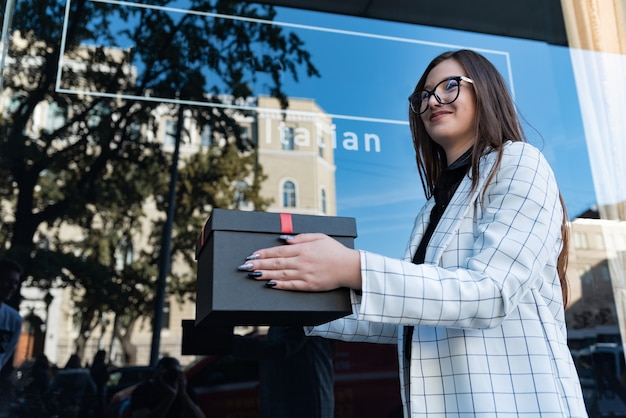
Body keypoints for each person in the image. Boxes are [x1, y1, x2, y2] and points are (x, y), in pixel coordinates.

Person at [236, 49, 588, 416]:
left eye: (449, 86)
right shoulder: (433, 208)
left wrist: (350, 267)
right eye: (423, 95)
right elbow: (413, 316)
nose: (433, 100)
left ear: (486, 91)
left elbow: (489, 293)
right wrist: (295, 297)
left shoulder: (519, 161)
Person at [232, 326, 335, 418]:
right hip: (293, 402)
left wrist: (231, 344)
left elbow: (281, 348)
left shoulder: (302, 313)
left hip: (302, 404)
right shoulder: (282, 321)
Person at [129, 356, 205, 418]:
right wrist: (169, 398)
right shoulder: (143, 391)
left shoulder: (184, 389)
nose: (170, 377)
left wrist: (183, 394)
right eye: (166, 373)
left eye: (175, 373)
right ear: (156, 375)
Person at [0, 258, 23, 416]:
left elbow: (5, 356)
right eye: (7, 281)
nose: (12, 287)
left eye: (15, 283)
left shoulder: (14, 320)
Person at [49, 353, 97, 418]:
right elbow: (93, 389)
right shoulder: (85, 375)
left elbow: (51, 389)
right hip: (79, 405)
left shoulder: (62, 375)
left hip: (64, 405)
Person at [90, 349, 110, 417]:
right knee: (101, 407)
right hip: (100, 389)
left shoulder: (94, 365)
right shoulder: (102, 366)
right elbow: (106, 378)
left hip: (94, 389)